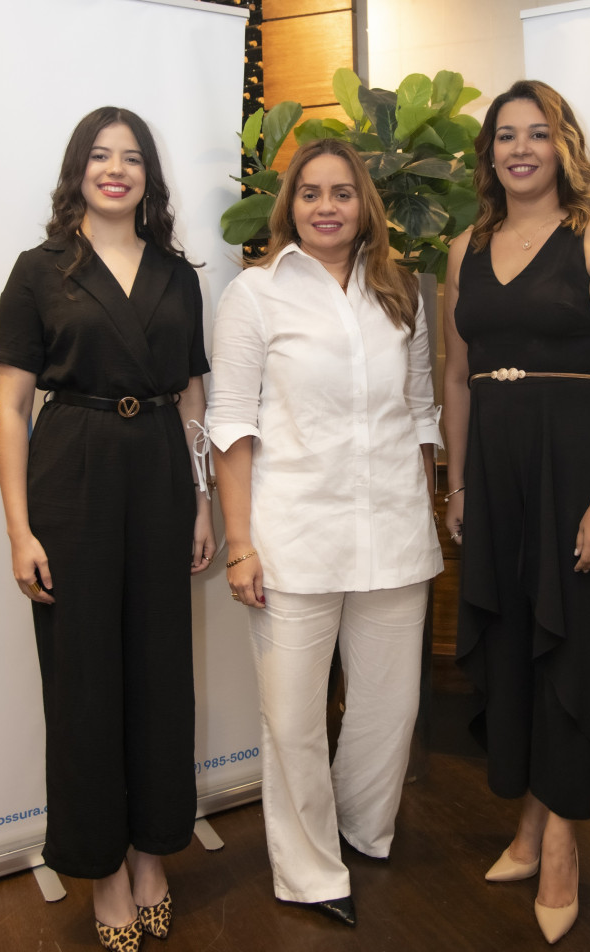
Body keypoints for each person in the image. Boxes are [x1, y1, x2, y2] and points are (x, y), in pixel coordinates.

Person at [0, 106, 215, 952]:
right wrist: (20, 529)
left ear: (148, 177)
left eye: (131, 158)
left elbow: (192, 399)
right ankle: (103, 867)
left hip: (160, 471)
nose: (114, 169)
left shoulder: (177, 273)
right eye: (99, 155)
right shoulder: (38, 270)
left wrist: (200, 502)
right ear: (77, 170)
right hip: (73, 476)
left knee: (160, 674)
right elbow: (14, 408)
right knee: (84, 681)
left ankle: (154, 851)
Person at [207, 139, 443, 927]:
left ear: (364, 202)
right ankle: (309, 871)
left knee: (390, 707)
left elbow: (420, 413)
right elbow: (231, 425)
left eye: (342, 192)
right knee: (294, 719)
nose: (327, 207)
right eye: (310, 193)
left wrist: (437, 498)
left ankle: (359, 829)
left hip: (395, 531)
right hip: (291, 537)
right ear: (290, 206)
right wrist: (239, 542)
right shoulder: (255, 294)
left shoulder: (402, 290)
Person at [442, 80, 590, 944]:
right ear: (488, 154)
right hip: (492, 469)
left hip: (574, 469)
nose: (520, 149)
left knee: (572, 646)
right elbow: (456, 376)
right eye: (504, 137)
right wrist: (456, 484)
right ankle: (529, 820)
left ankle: (561, 843)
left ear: (564, 145)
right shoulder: (465, 246)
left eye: (538, 134)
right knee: (516, 648)